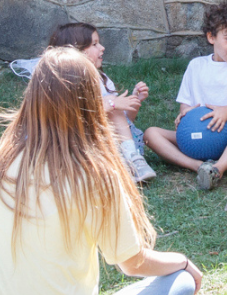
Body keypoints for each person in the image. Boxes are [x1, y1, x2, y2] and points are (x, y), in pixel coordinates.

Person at [0, 47, 202, 295]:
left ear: (32, 98)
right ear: (90, 102)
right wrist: (182, 262)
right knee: (180, 282)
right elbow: (132, 263)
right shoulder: (96, 174)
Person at [143, 0, 227, 192]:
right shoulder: (196, 66)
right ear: (211, 37)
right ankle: (198, 166)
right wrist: (186, 113)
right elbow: (185, 104)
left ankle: (217, 169)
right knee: (150, 134)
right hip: (198, 136)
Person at [48, 22, 155, 184]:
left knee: (112, 104)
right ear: (76, 51)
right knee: (110, 103)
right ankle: (120, 166)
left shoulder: (102, 80)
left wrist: (133, 104)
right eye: (95, 44)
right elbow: (73, 120)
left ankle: (131, 161)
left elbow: (123, 124)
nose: (102, 48)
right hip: (76, 145)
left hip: (116, 145)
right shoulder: (60, 85)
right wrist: (112, 104)